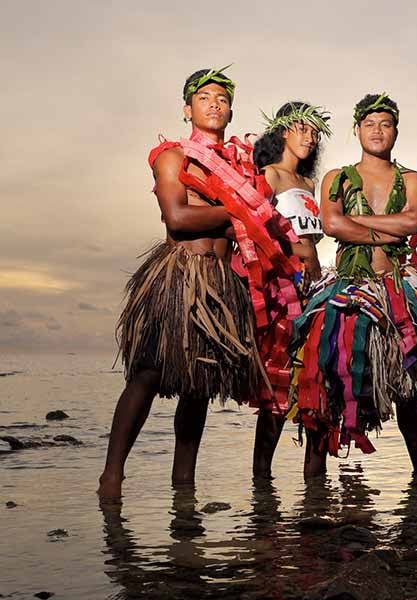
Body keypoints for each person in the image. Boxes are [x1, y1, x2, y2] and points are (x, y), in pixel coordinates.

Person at [99, 66, 296, 498]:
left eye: (222, 99)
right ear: (187, 109)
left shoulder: (242, 170)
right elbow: (178, 216)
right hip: (180, 274)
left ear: (231, 110)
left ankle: (183, 484)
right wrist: (242, 214)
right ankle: (112, 475)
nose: (214, 105)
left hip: (222, 283)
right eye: (204, 98)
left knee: (200, 385)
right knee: (148, 373)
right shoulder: (174, 157)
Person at [289, 93, 417, 477]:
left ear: (396, 131)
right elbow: (332, 224)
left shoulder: (411, 179)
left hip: (397, 286)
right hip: (348, 287)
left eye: (385, 124)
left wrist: (360, 224)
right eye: (369, 124)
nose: (377, 131)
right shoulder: (337, 177)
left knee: (409, 387)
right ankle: (313, 492)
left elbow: (414, 222)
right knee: (326, 383)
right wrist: (388, 228)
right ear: (356, 130)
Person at [250, 102, 331, 478]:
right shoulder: (270, 176)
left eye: (315, 132)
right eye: (303, 128)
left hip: (314, 288)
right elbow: (252, 228)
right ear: (282, 130)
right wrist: (292, 253)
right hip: (282, 287)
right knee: (279, 380)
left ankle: (314, 483)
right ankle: (261, 480)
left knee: (316, 378)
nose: (309, 137)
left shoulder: (309, 185)